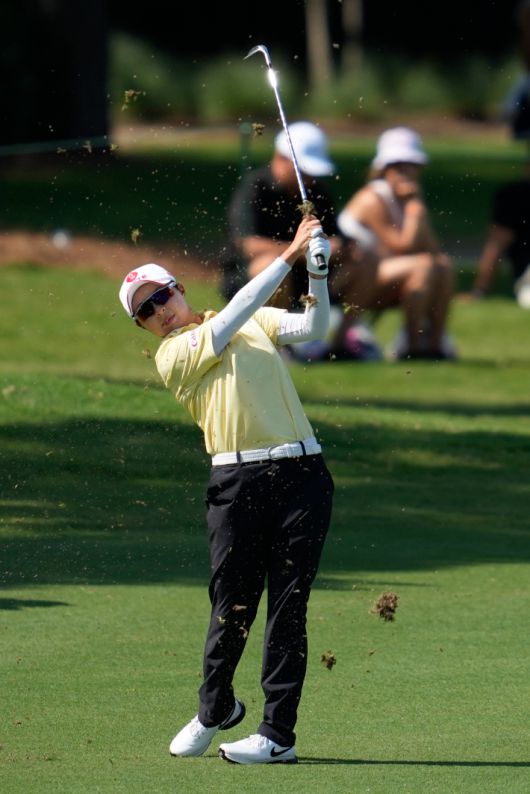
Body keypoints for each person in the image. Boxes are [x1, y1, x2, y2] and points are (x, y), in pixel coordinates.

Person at [118, 214, 334, 765]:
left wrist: (317, 273)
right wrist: (288, 254)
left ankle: (277, 735)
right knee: (230, 605)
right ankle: (215, 708)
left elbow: (314, 328)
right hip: (238, 483)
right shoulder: (174, 355)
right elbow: (235, 311)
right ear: (143, 327)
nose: (159, 311)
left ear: (178, 289)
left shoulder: (250, 318)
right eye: (145, 312)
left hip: (303, 474)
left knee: (288, 606)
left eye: (161, 296)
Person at [222, 120, 382, 361]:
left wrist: (340, 247)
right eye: (304, 171)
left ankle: (340, 345)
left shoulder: (317, 190)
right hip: (254, 279)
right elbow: (249, 245)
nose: (309, 178)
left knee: (367, 260)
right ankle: (278, 346)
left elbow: (336, 236)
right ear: (281, 158)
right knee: (270, 264)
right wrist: (299, 250)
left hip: (308, 278)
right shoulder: (254, 186)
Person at [337, 127, 456, 360]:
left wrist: (416, 210)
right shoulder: (372, 198)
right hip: (354, 277)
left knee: (443, 265)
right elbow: (402, 247)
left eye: (412, 165)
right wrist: (415, 212)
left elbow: (433, 249)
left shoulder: (405, 200)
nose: (406, 172)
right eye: (398, 166)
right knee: (424, 265)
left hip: (384, 272)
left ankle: (434, 345)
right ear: (384, 168)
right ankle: (412, 347)